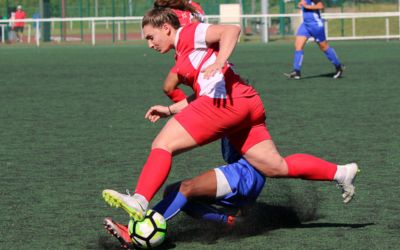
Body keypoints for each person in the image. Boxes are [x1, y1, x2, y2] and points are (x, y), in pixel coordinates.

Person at [102, 8, 358, 223]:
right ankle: (341, 172)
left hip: (226, 105)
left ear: (166, 28)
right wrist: (169, 109)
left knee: (162, 144)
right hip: (245, 102)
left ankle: (140, 200)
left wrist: (220, 60)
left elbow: (232, 29)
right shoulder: (183, 54)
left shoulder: (189, 33)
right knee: (275, 166)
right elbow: (204, 91)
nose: (149, 44)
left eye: (150, 36)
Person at [104, 158, 265, 248]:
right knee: (172, 192)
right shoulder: (226, 100)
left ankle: (134, 234)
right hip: (243, 173)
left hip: (244, 173)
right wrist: (174, 102)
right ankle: (229, 220)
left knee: (185, 188)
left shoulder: (233, 102)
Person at [285, 0, 344, 79]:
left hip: (316, 25)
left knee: (324, 47)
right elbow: (302, 2)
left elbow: (320, 6)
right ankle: (297, 71)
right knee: (298, 46)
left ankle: (338, 67)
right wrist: (301, 3)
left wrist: (307, 6)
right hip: (305, 25)